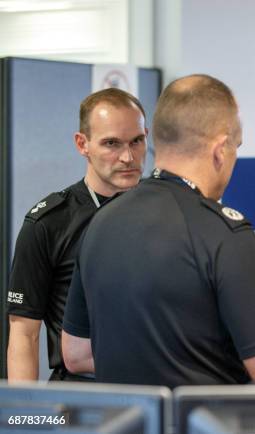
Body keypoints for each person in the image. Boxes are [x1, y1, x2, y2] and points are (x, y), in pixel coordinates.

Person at [61, 74, 255, 388]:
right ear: (220, 149)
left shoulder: (101, 222)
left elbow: (76, 354)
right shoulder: (224, 233)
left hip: (128, 419)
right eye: (236, 146)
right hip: (201, 420)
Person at [6, 88, 147, 382]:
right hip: (82, 393)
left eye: (137, 141)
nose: (127, 156)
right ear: (82, 144)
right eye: (111, 143)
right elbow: (24, 334)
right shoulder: (48, 222)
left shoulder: (165, 211)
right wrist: (29, 421)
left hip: (154, 386)